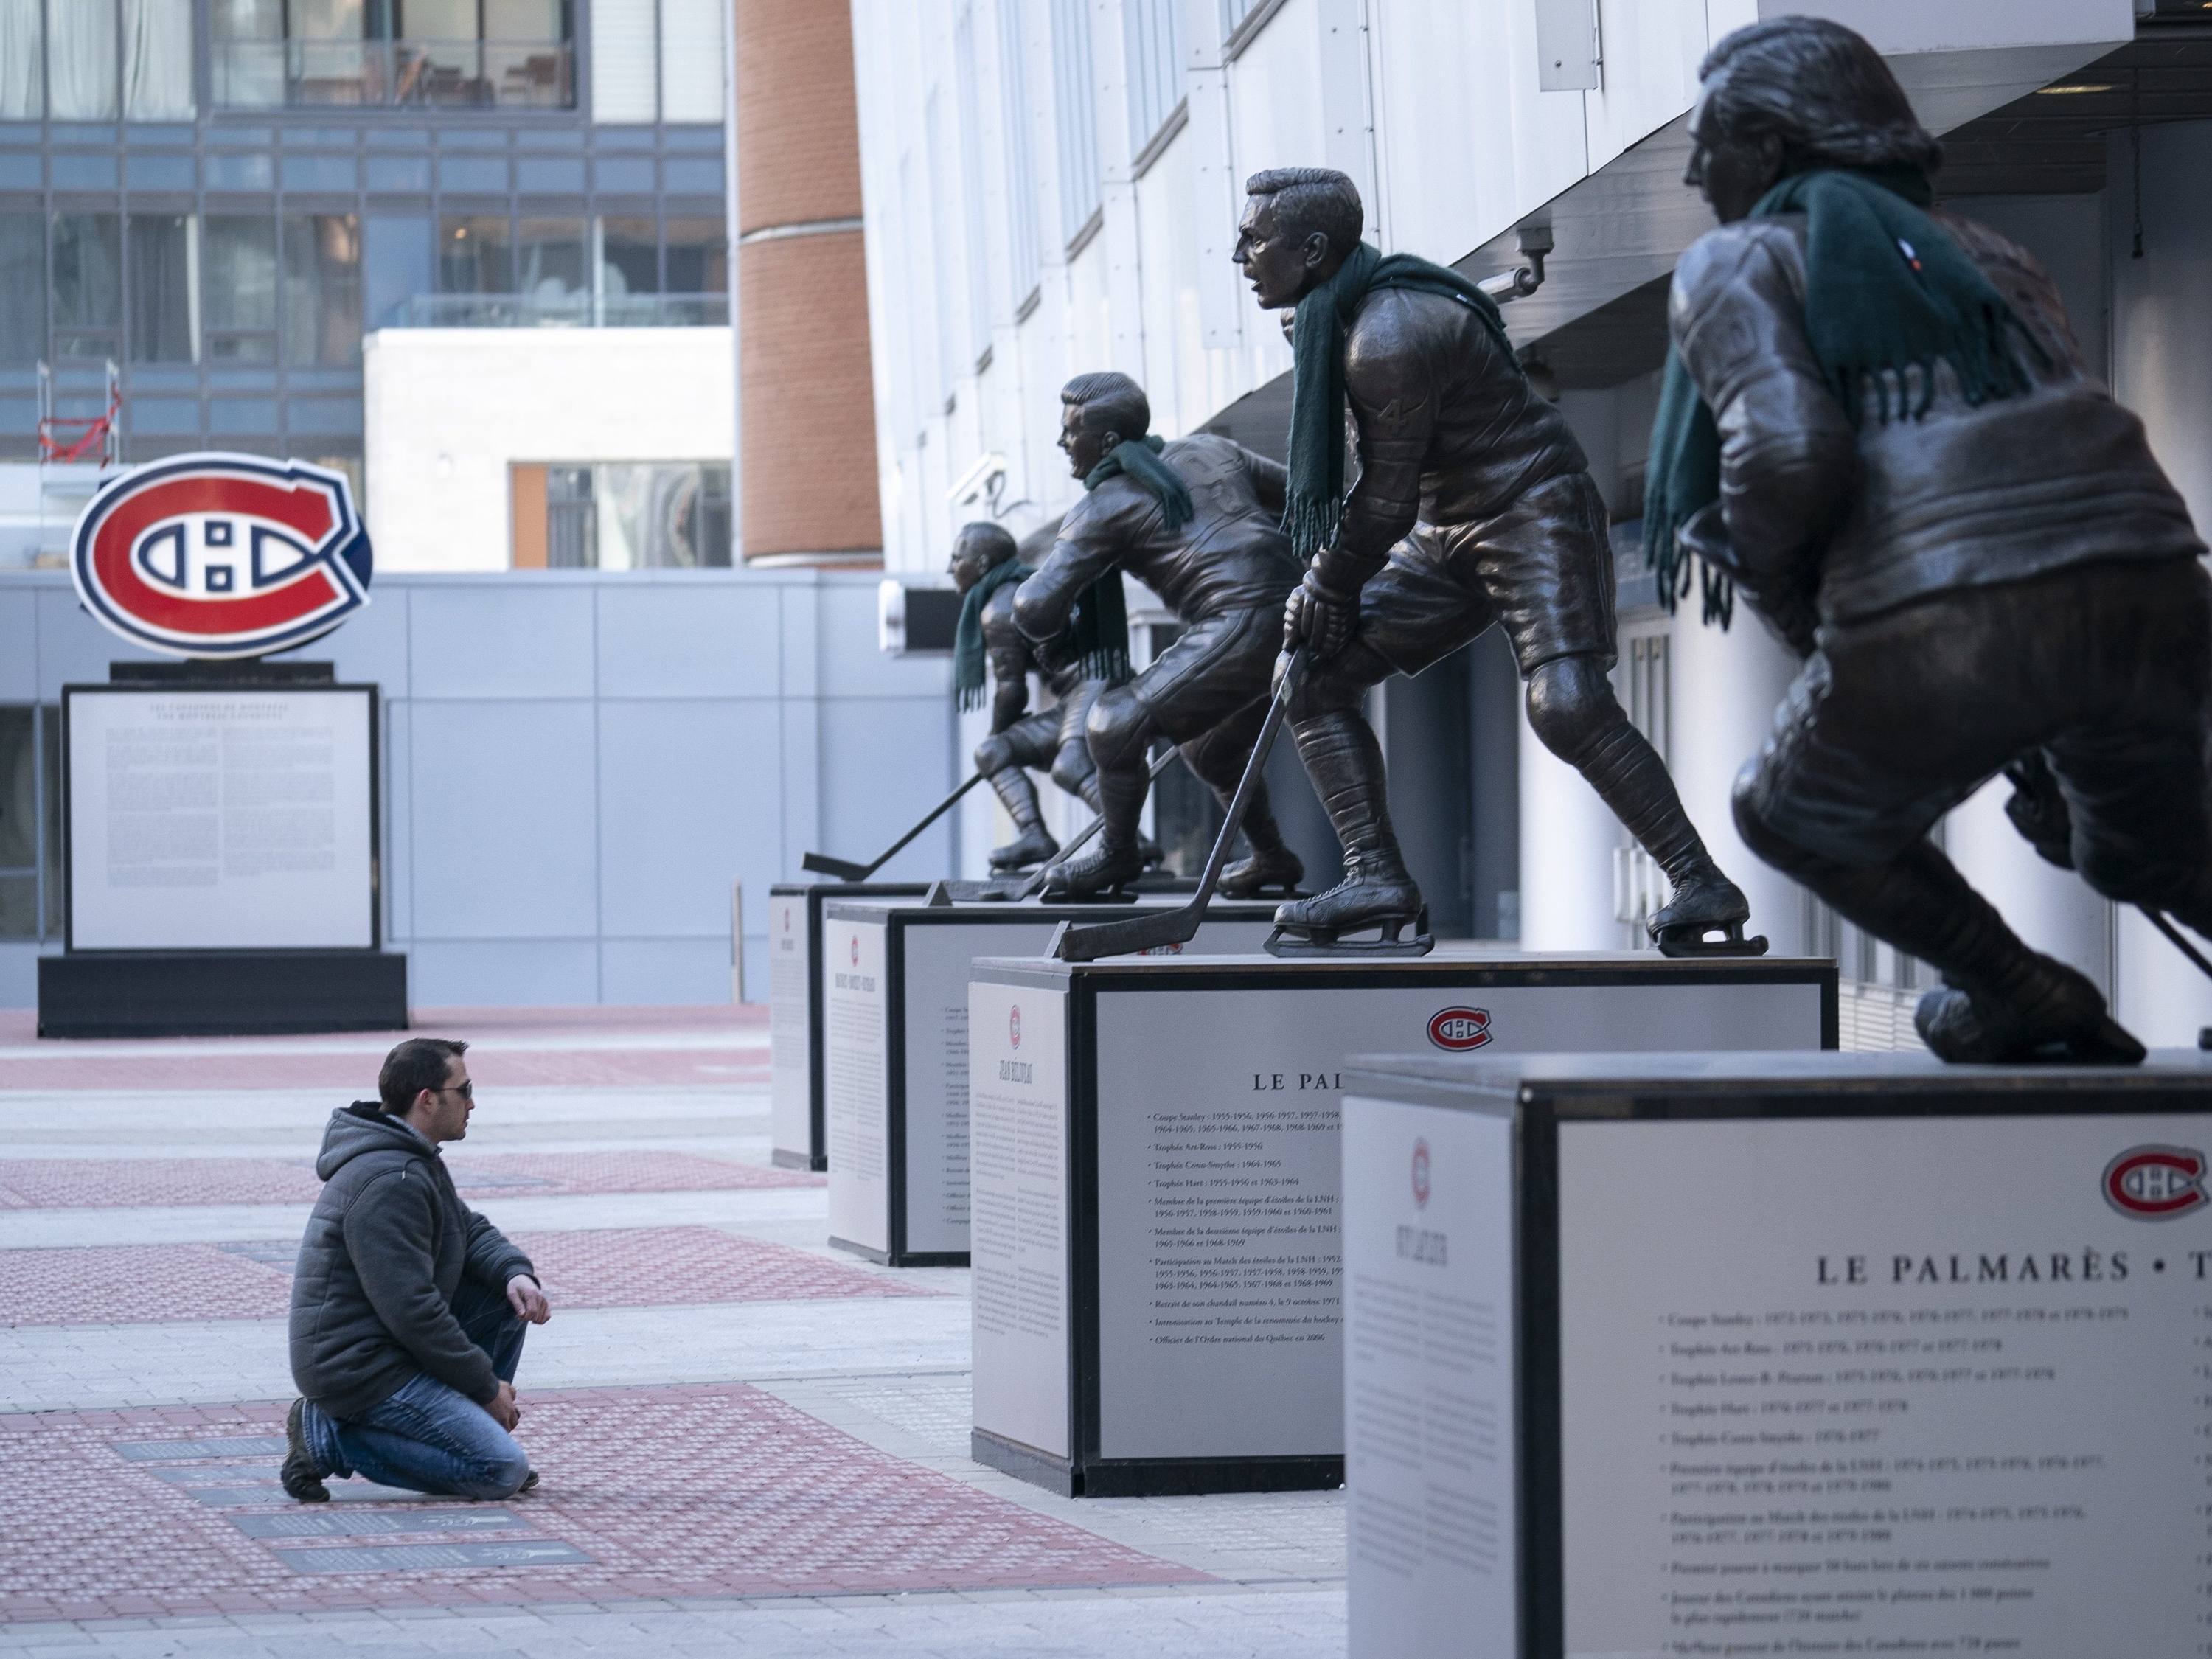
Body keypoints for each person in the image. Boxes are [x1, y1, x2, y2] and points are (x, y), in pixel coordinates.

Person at [1655, 16, 2210, 1061]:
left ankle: (2018, 987)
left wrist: (1787, 580)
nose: (1692, 171)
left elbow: (1786, 460)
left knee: (1791, 815)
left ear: (1772, 150)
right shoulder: (1994, 254)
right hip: (2154, 577)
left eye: (1709, 141)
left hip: (1949, 598)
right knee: (2146, 853)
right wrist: (2040, 722)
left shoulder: (1739, 260)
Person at [1234, 166, 1756, 953]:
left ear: (1311, 250)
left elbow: (1384, 500)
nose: (1240, 254)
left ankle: (1700, 880)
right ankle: (1375, 872)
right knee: (1310, 675)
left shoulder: (1388, 335)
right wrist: (1329, 594)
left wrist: (1326, 582)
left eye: (1254, 239)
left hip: (1530, 506)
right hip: (1446, 527)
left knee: (1567, 704)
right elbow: (1399, 500)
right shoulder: (1333, 320)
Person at [1013, 371, 1307, 900]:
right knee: (1207, 750)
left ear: (1105, 443)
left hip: (1241, 622)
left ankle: (1119, 853)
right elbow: (1303, 496)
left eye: (1069, 431)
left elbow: (1033, 606)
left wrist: (1053, 634)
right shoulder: (1211, 449)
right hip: (1293, 613)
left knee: (1113, 723)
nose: (1062, 442)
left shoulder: (1103, 505)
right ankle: (1272, 857)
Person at [281, 1037, 552, 1502]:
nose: (473, 1102)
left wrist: (514, 1273)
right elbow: (413, 1311)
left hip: (389, 1347)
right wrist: (486, 1388)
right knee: (499, 1471)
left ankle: (464, 1433)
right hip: (358, 1368)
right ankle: (326, 1433)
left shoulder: (414, 1158)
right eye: (463, 1090)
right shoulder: (390, 1180)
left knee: (501, 1298)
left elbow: (466, 1231)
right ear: (427, 1100)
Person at [949, 519, 1110, 871]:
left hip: (1099, 686)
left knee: (1067, 764)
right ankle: (1037, 837)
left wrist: (999, 728)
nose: (950, 568)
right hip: (1080, 695)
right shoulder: (1020, 587)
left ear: (981, 565)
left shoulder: (1000, 609)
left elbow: (1012, 691)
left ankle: (1125, 841)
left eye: (956, 558)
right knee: (995, 753)